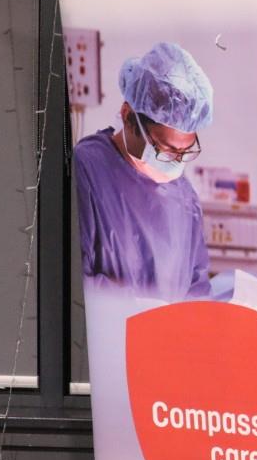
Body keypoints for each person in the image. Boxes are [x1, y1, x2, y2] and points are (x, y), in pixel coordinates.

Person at [74, 42, 214, 301]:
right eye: (165, 149)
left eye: (185, 152)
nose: (176, 162)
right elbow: (73, 280)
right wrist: (134, 310)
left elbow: (197, 290)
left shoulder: (185, 197)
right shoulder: (87, 170)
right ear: (128, 116)